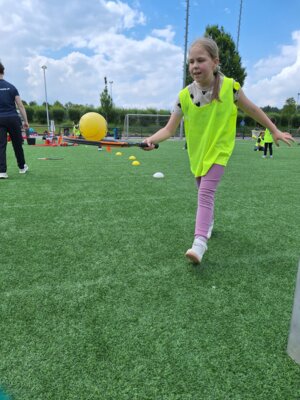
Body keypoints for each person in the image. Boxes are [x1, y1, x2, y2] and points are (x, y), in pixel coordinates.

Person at [143, 37, 294, 264]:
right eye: (191, 61)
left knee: (205, 193)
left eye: (200, 60)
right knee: (201, 189)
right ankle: (209, 222)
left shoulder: (230, 88)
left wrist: (275, 130)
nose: (194, 66)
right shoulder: (184, 97)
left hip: (220, 150)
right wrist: (151, 140)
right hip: (198, 153)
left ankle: (199, 242)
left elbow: (253, 109)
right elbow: (169, 129)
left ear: (215, 62)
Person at [0, 62, 29, 179]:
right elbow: (20, 105)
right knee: (17, 144)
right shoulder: (12, 87)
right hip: (13, 118)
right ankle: (22, 167)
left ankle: (2, 172)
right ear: (3, 71)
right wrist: (25, 121)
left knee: (0, 145)